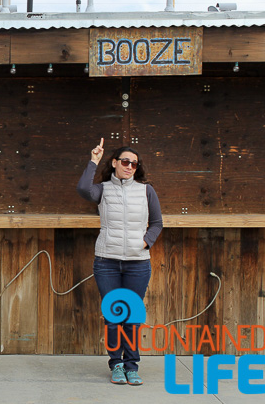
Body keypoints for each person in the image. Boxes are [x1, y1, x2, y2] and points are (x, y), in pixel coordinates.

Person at [76, 138, 163, 386]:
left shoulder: (146, 190)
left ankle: (132, 366)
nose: (129, 167)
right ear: (114, 163)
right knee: (114, 317)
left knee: (132, 316)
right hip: (107, 262)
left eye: (134, 164)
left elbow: (157, 223)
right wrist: (93, 160)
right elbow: (83, 189)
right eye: (125, 162)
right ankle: (116, 365)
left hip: (138, 263)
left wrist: (146, 241)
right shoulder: (103, 189)